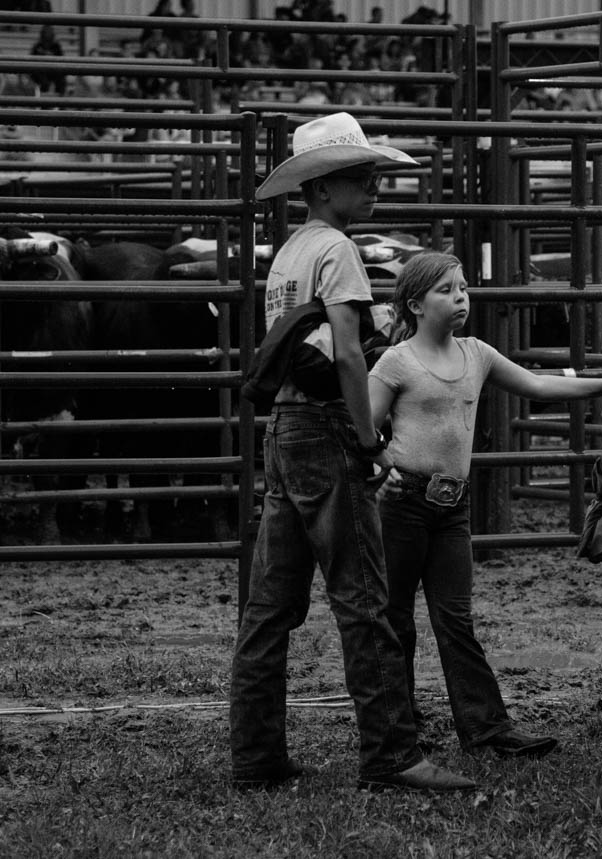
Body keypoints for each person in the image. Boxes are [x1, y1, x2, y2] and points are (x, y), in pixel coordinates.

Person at [229, 112, 476, 794]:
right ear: (324, 185)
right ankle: (392, 753)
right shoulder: (336, 252)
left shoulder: (290, 251)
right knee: (364, 597)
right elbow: (344, 349)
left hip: (286, 427)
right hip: (328, 431)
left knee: (270, 605)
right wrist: (367, 435)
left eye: (372, 176)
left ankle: (255, 753)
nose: (373, 187)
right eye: (360, 178)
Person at [368, 252, 602, 759]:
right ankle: (396, 726)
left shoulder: (477, 354)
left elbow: (537, 384)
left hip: (452, 505)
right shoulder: (395, 363)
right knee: (394, 617)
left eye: (463, 288)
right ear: (415, 304)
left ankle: (486, 728)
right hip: (403, 505)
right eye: (446, 290)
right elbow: (363, 426)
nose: (461, 298)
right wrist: (384, 468)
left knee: (455, 619)